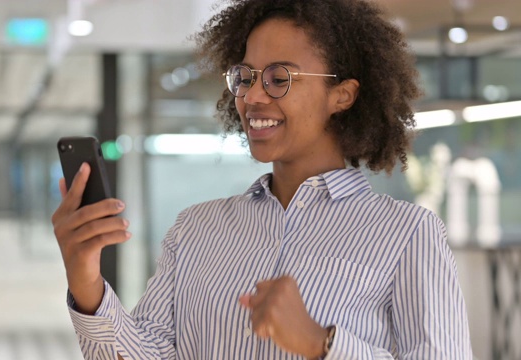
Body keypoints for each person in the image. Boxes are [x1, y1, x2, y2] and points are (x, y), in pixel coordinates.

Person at [51, 0, 473, 358]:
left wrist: (321, 343)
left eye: (278, 78)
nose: (252, 97)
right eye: (246, 77)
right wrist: (86, 281)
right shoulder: (196, 229)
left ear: (342, 95)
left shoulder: (407, 234)